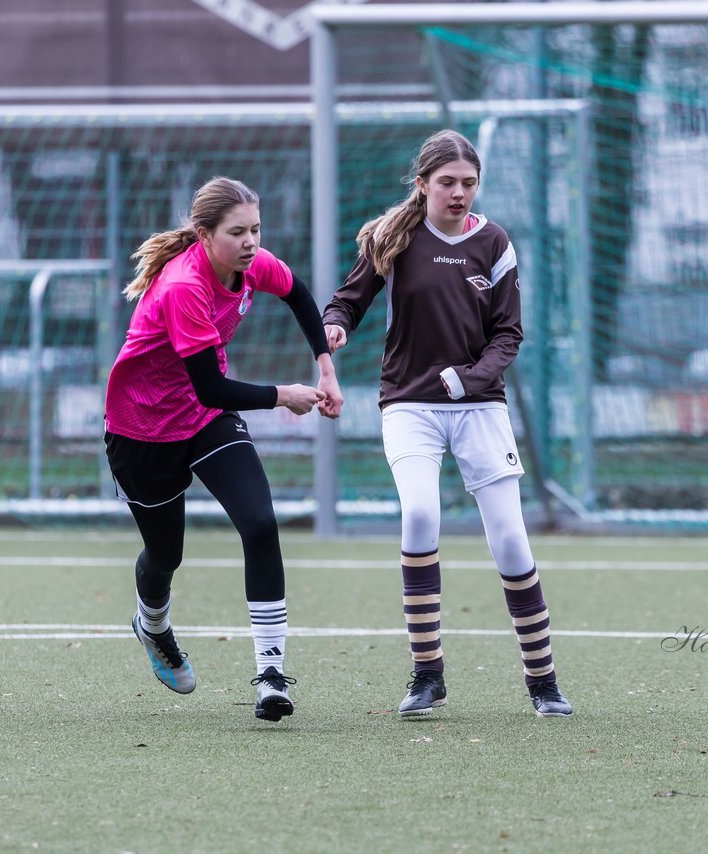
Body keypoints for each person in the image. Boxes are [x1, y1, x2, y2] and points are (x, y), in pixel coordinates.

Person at [321, 129, 572, 718]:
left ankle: (544, 684)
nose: (458, 193)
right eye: (446, 183)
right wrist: (334, 325)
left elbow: (509, 333)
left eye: (468, 183)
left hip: (480, 407)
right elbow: (348, 300)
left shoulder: (495, 243)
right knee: (421, 513)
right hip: (408, 404)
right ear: (423, 185)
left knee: (510, 538)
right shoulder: (396, 238)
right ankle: (427, 675)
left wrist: (469, 379)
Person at [104, 176, 343, 722]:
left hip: (204, 421)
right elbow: (211, 384)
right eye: (238, 232)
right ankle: (153, 625)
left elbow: (299, 292)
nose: (252, 242)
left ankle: (271, 674)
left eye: (256, 229)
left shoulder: (247, 264)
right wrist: (286, 396)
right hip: (141, 430)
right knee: (166, 556)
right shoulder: (184, 286)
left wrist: (325, 367)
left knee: (259, 523)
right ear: (204, 235)